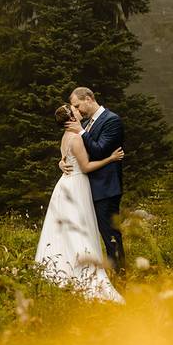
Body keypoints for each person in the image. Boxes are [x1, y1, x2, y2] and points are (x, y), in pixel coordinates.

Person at [37, 102, 125, 303]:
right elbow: (85, 167)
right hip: (76, 184)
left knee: (65, 232)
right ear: (71, 117)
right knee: (80, 231)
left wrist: (62, 162)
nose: (78, 110)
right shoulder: (76, 137)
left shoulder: (67, 136)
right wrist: (111, 159)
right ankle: (81, 274)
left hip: (65, 185)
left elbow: (66, 158)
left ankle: (61, 270)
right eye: (74, 108)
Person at [60, 87, 126, 275]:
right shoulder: (87, 122)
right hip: (88, 189)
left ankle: (121, 278)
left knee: (111, 236)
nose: (77, 110)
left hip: (106, 189)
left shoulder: (112, 120)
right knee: (90, 236)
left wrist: (81, 132)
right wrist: (62, 161)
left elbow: (99, 150)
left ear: (89, 98)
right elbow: (80, 152)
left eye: (77, 105)